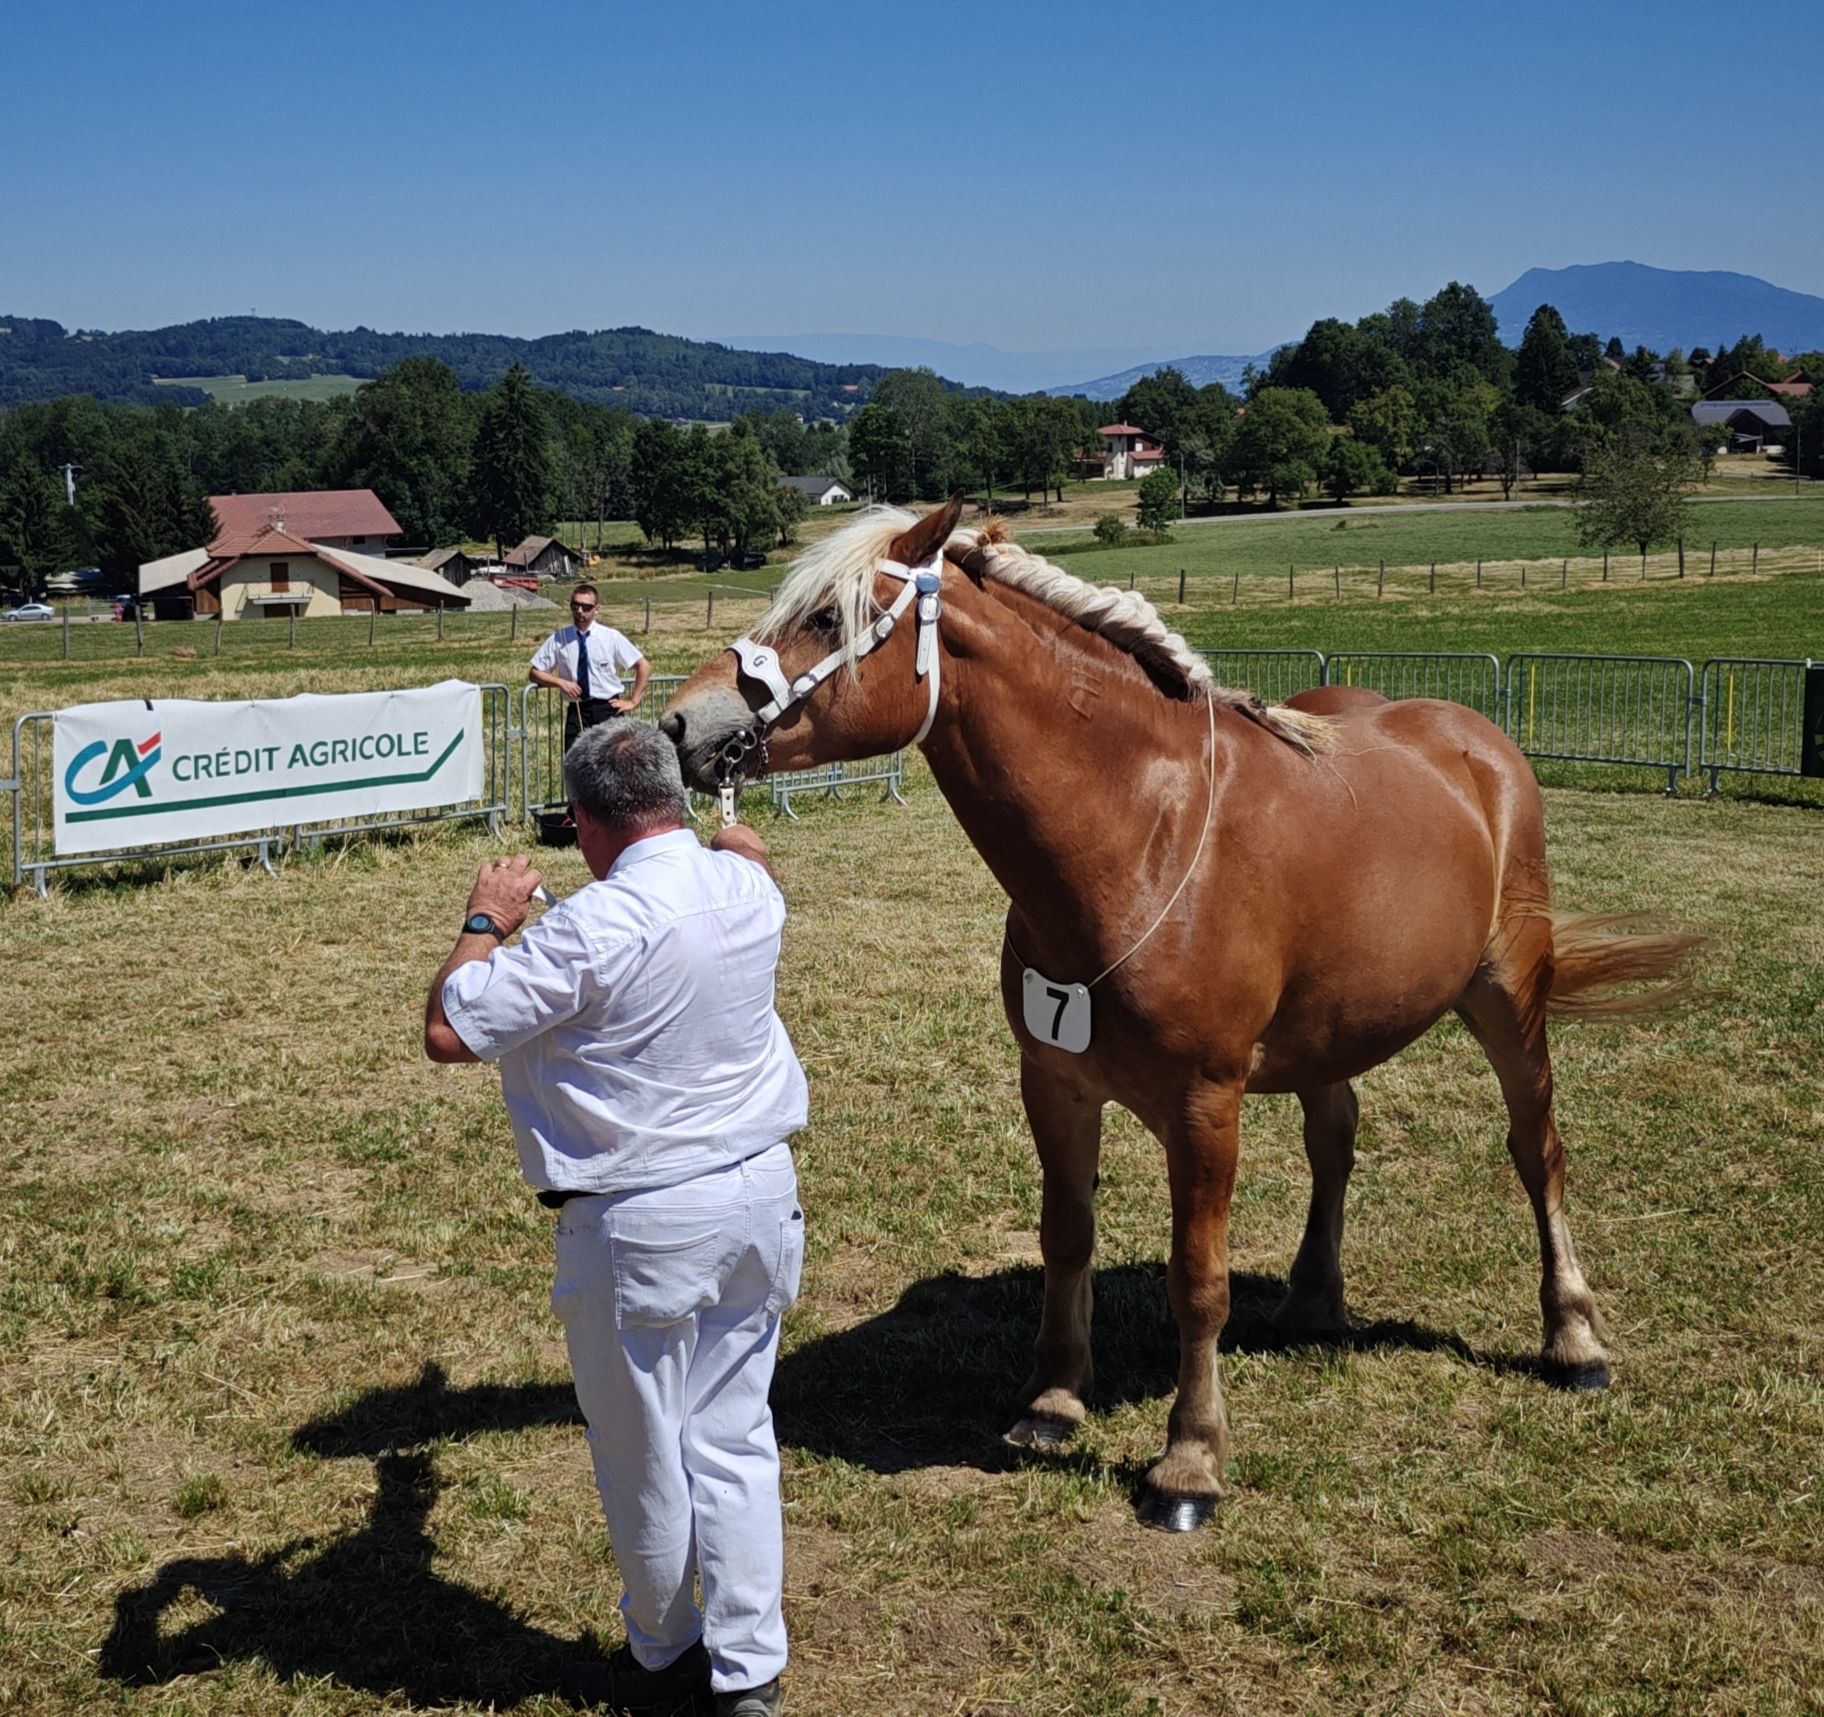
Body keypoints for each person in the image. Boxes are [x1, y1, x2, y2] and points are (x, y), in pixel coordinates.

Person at [423, 722, 806, 1717]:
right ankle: (749, 1670)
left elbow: (450, 1026)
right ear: (675, 800)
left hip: (641, 1219)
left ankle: (664, 1653)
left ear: (588, 821)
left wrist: (486, 918)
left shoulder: (586, 928)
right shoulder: (748, 890)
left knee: (642, 1453)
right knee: (735, 1433)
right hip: (759, 1191)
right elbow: (751, 862)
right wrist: (739, 849)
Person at [530, 584, 652, 751]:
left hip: (608, 710)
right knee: (575, 767)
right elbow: (535, 673)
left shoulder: (610, 637)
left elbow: (643, 666)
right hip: (577, 710)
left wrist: (633, 701)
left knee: (610, 766)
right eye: (575, 605)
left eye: (586, 607)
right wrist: (561, 683)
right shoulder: (559, 639)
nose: (580, 610)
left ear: (597, 609)